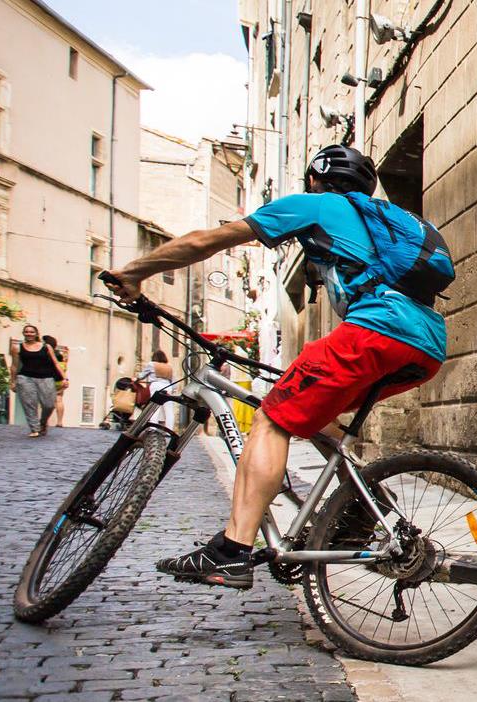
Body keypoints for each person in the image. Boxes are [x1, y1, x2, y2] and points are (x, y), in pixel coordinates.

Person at [104, 144, 449, 590]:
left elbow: (206, 241)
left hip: (374, 332)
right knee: (314, 418)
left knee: (271, 420)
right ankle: (366, 505)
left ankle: (231, 551)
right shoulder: (388, 221)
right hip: (424, 348)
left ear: (314, 180)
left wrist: (134, 273)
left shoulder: (317, 206)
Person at [9, 324, 64, 438]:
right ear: (24, 333)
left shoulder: (46, 347)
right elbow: (14, 366)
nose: (29, 334)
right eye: (27, 332)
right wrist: (13, 381)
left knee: (49, 404)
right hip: (25, 378)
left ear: (36, 334)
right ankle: (35, 429)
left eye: (32, 332)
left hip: (46, 378)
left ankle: (43, 422)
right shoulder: (17, 347)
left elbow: (55, 363)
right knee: (29, 404)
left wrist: (64, 378)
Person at [139, 350, 176, 429]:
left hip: (156, 385)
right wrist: (172, 389)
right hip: (167, 386)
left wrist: (136, 378)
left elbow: (141, 376)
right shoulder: (169, 366)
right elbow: (173, 381)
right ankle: (169, 430)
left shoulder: (152, 364)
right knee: (169, 410)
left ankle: (153, 428)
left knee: (155, 407)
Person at [42, 336, 68, 429]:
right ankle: (60, 422)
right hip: (60, 380)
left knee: (46, 401)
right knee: (59, 400)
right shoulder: (59, 355)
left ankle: (45, 421)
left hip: (49, 379)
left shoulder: (46, 353)